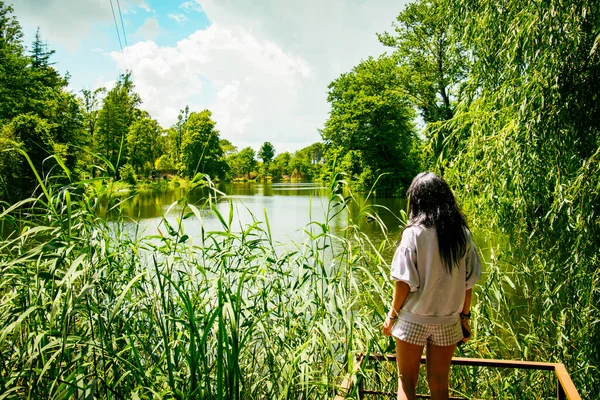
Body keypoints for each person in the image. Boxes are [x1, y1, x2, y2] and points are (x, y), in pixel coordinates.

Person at [382, 172, 481, 400]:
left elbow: (403, 283)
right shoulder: (462, 235)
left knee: (406, 382)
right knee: (439, 383)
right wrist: (464, 318)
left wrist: (392, 315)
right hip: (447, 321)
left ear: (417, 201)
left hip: (412, 319)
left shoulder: (413, 234)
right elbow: (469, 284)